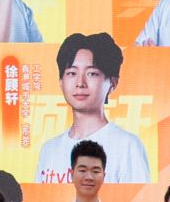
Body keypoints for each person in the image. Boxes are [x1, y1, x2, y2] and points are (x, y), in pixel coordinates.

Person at [35, 33, 151, 183]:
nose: (80, 83)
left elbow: (138, 198)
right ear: (61, 82)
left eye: (92, 73)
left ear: (112, 83)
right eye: (71, 73)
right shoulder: (49, 149)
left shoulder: (127, 146)